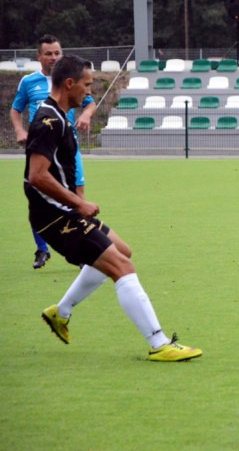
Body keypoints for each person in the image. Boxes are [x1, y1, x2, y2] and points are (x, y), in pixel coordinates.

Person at [26, 54, 202, 360]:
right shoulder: (48, 121)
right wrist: (78, 202)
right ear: (69, 84)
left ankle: (61, 312)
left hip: (65, 212)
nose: (89, 91)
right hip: (56, 218)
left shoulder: (59, 115)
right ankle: (159, 343)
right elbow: (36, 176)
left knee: (123, 252)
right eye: (86, 85)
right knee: (123, 268)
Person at [11, 34, 96, 269]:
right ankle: (42, 249)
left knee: (77, 192)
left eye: (57, 53)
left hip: (69, 145)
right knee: (39, 193)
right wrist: (19, 130)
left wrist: (86, 114)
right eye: (48, 53)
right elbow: (16, 109)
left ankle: (83, 247)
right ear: (39, 56)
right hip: (43, 146)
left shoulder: (72, 78)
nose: (53, 57)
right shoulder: (29, 82)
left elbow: (89, 101)